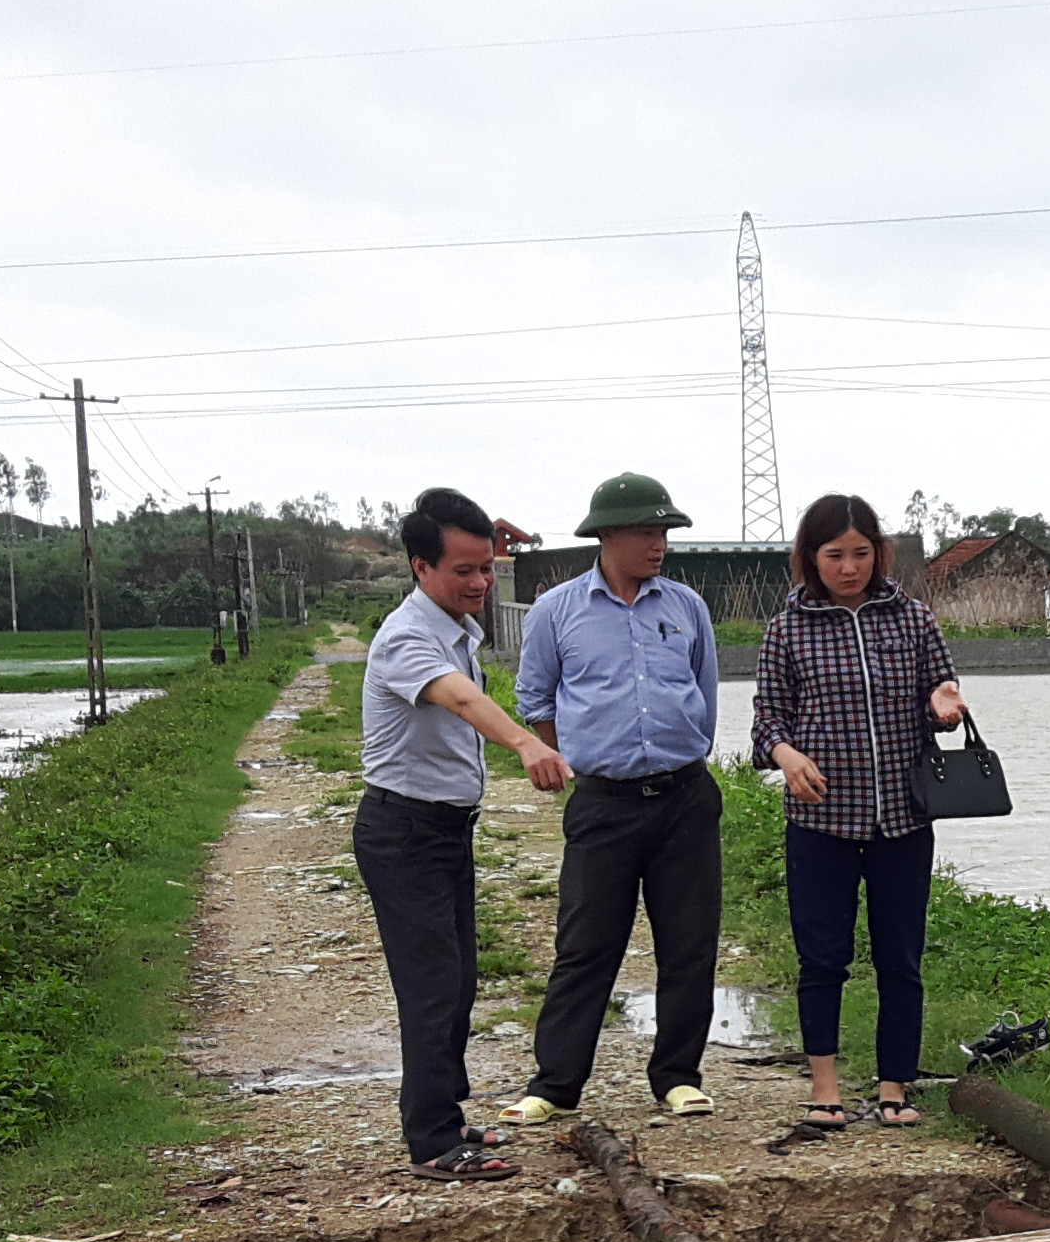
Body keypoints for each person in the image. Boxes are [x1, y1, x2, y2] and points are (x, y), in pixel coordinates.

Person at [355, 487, 571, 1184]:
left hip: (445, 831)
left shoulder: (458, 628)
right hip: (403, 831)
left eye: (486, 569)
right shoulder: (409, 636)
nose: (480, 583)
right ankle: (432, 1140)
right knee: (430, 986)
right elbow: (460, 698)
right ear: (421, 568)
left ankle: (446, 1115)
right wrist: (524, 745)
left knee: (457, 982)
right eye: (464, 571)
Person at [506, 471, 725, 1122]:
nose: (658, 544)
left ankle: (678, 1076)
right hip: (603, 802)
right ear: (606, 535)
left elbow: (705, 697)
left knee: (689, 944)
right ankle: (553, 1085)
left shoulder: (686, 608)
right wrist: (574, 761)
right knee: (585, 945)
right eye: (645, 532)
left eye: (664, 532)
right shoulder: (557, 610)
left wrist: (681, 749)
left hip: (685, 796)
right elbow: (536, 701)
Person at [753, 491, 966, 1128]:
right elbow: (767, 721)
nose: (849, 567)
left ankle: (894, 1086)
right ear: (809, 559)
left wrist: (946, 702)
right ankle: (824, 1088)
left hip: (904, 817)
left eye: (861, 553)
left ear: (880, 554)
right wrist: (786, 754)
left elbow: (941, 688)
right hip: (821, 822)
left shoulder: (914, 619)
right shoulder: (787, 628)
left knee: (901, 958)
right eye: (835, 555)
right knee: (823, 959)